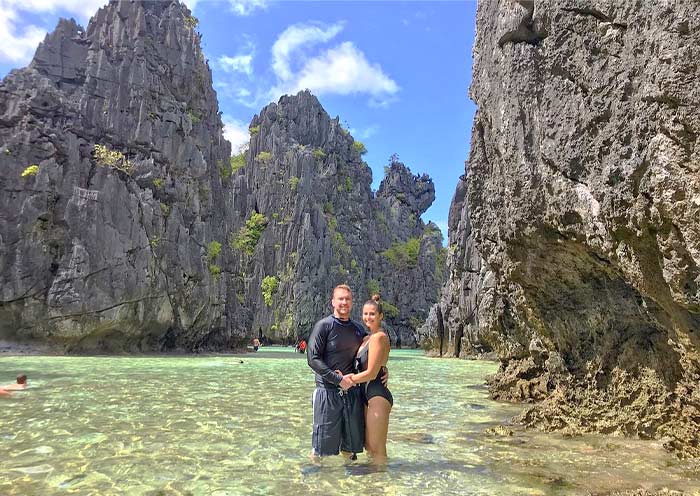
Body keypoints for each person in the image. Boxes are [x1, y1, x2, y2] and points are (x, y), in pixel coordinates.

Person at [307, 284, 368, 460]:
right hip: (327, 392)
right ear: (333, 302)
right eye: (340, 299)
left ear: (352, 303)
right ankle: (315, 484)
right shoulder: (324, 326)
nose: (344, 302)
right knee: (320, 449)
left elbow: (367, 356)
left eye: (347, 299)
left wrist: (383, 370)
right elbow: (313, 358)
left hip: (352, 394)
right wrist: (337, 379)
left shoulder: (358, 329)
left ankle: (351, 486)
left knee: (350, 449)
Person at [350, 295, 393, 464]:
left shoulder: (379, 337)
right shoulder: (367, 338)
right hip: (365, 394)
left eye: (372, 314)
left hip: (377, 394)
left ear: (381, 316)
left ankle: (382, 484)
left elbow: (372, 373)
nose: (368, 317)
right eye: (365, 314)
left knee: (377, 449)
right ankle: (373, 484)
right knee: (369, 446)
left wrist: (347, 379)